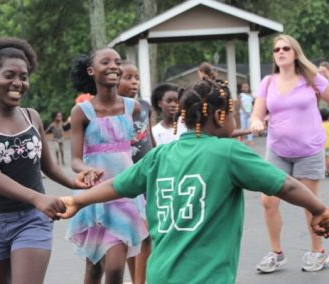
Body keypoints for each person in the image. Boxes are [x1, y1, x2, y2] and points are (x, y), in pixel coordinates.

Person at [58, 79, 329, 284]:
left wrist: (77, 200)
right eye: (231, 113)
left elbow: (116, 186)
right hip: (207, 277)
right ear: (220, 116)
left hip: (159, 274)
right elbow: (286, 185)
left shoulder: (160, 156)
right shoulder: (229, 152)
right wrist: (319, 210)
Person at [0, 37, 91, 284]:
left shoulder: (32, 117)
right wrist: (38, 197)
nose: (18, 83)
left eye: (24, 76)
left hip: (31, 220)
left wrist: (75, 183)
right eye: (9, 75)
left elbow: (48, 166)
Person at [66, 48, 148, 283]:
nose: (114, 66)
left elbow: (138, 149)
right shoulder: (81, 112)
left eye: (117, 62)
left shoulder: (133, 107)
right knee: (93, 268)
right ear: (91, 71)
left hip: (125, 192)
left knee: (114, 268)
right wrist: (85, 170)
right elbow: (74, 159)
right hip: (94, 195)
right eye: (106, 62)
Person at [250, 34, 329, 273]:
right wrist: (255, 122)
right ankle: (276, 253)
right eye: (276, 50)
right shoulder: (268, 82)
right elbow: (257, 113)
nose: (281, 52)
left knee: (310, 205)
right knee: (268, 201)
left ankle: (318, 252)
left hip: (309, 149)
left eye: (285, 48)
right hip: (278, 151)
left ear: (295, 52)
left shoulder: (311, 78)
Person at [117, 60, 154, 284]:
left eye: (136, 77)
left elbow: (151, 139)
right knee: (133, 236)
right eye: (127, 77)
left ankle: (142, 280)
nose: (134, 82)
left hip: (148, 178)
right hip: (127, 180)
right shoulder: (113, 109)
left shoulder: (145, 106)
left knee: (147, 235)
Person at [320, 108, 329, 176]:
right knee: (327, 158)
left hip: (322, 144)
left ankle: (326, 170)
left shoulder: (319, 124)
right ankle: (327, 170)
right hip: (328, 144)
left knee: (324, 158)